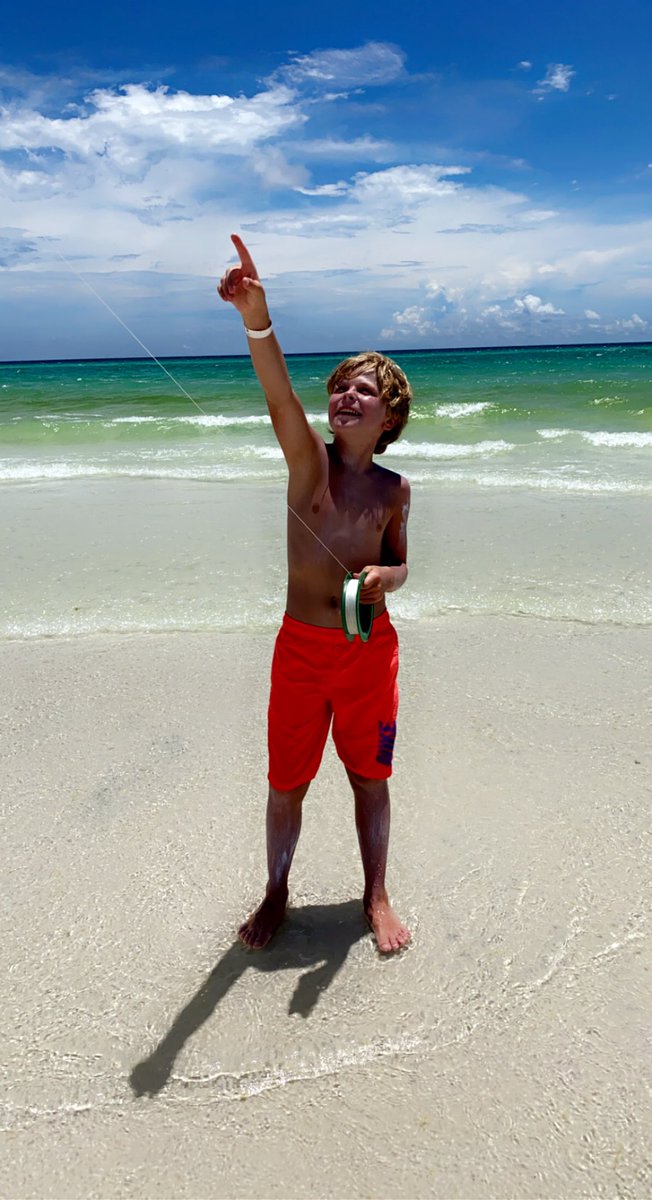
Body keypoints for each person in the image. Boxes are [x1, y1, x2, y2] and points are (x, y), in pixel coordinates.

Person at [218, 234, 412, 953]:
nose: (346, 394)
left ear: (389, 417)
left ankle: (377, 893)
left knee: (370, 777)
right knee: (287, 783)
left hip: (370, 652)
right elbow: (278, 395)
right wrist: (256, 318)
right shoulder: (309, 466)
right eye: (341, 385)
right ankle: (276, 889)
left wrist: (383, 579)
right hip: (301, 651)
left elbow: (399, 564)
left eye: (364, 388)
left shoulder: (395, 490)